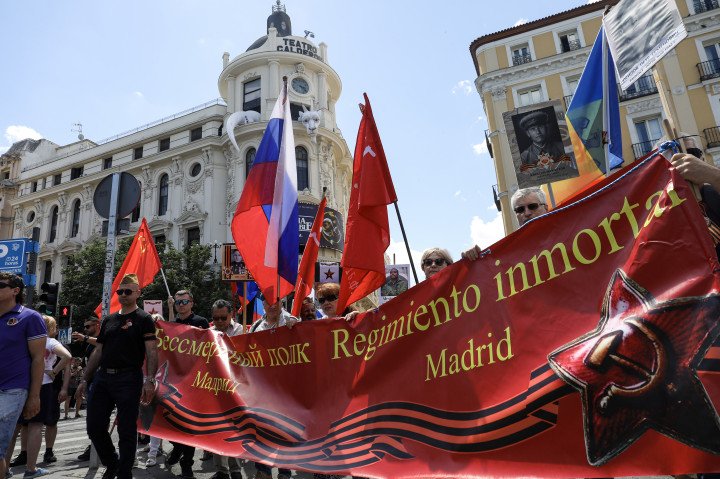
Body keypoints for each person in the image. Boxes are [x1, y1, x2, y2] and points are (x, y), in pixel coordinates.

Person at [75, 274, 158, 479]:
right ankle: (112, 463)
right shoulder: (109, 319)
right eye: (120, 291)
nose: (122, 295)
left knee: (127, 429)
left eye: (127, 291)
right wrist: (85, 378)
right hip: (103, 378)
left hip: (129, 378)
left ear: (138, 293)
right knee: (94, 427)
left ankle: (124, 472)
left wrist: (150, 379)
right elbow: (98, 351)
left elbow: (152, 351)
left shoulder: (144, 319)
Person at [8, 315, 72, 478]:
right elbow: (67, 356)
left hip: (20, 384)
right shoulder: (50, 342)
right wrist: (54, 371)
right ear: (51, 328)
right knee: (36, 425)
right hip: (42, 385)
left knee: (14, 428)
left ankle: (4, 468)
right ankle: (31, 468)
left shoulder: (24, 340)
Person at [0, 273, 46, 479]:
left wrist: (34, 396)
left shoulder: (30, 317)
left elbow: (38, 359)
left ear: (15, 291)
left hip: (12, 389)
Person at [248, 294, 297, 479]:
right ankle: (263, 470)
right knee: (261, 432)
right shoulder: (255, 327)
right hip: (263, 391)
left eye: (276, 301)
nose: (272, 305)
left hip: (286, 390)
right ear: (262, 304)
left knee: (284, 432)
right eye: (267, 302)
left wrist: (294, 323)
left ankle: (284, 471)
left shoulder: (292, 323)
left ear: (282, 302)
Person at [166, 289, 209, 479]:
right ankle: (176, 448)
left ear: (192, 303)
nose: (181, 305)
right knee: (170, 422)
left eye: (184, 302)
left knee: (190, 426)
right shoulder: (173, 323)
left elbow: (208, 348)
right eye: (178, 302)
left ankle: (186, 464)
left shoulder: (200, 322)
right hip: (173, 381)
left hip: (194, 380)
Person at [463, 187, 549, 261]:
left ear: (545, 207)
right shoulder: (510, 250)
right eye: (520, 209)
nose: (527, 213)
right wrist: (470, 256)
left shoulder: (562, 231)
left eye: (532, 206)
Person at [209, 300, 244, 479]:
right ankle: (221, 470)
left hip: (237, 388)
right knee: (218, 428)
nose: (220, 322)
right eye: (216, 318)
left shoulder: (241, 330)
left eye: (223, 317)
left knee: (235, 428)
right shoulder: (208, 333)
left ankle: (236, 469)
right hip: (215, 387)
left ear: (231, 315)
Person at [71, 317, 100, 462]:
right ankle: (94, 445)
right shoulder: (88, 344)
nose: (86, 329)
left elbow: (102, 343)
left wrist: (86, 337)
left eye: (88, 326)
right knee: (92, 417)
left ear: (97, 325)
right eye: (85, 327)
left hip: (101, 381)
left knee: (97, 417)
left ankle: (97, 447)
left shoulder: (101, 338)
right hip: (90, 381)